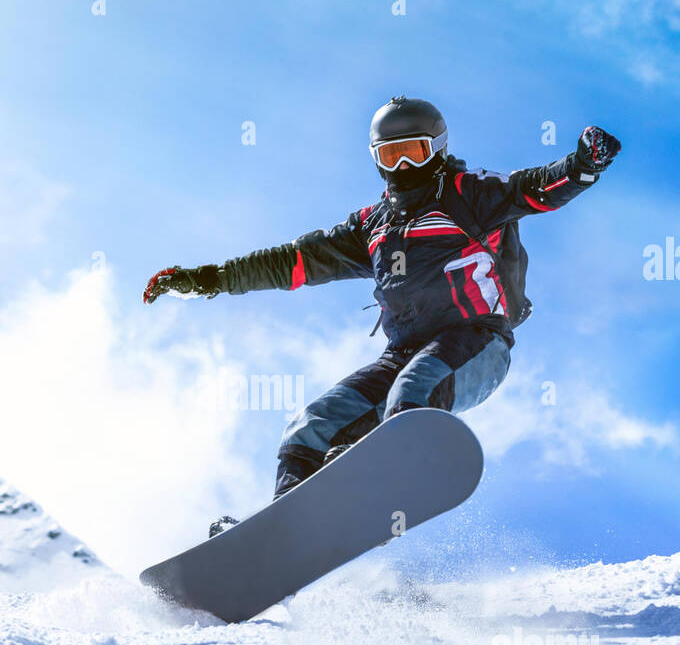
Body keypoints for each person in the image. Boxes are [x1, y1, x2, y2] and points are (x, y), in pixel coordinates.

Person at [144, 96, 620, 536]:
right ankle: (285, 526)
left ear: (437, 149)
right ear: (375, 158)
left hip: (477, 342)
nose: (404, 166)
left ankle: (373, 484)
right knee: (312, 423)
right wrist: (205, 279)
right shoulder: (373, 227)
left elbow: (533, 189)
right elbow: (287, 262)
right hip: (404, 352)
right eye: (391, 156)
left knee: (410, 395)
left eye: (414, 151)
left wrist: (582, 167)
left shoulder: (469, 195)